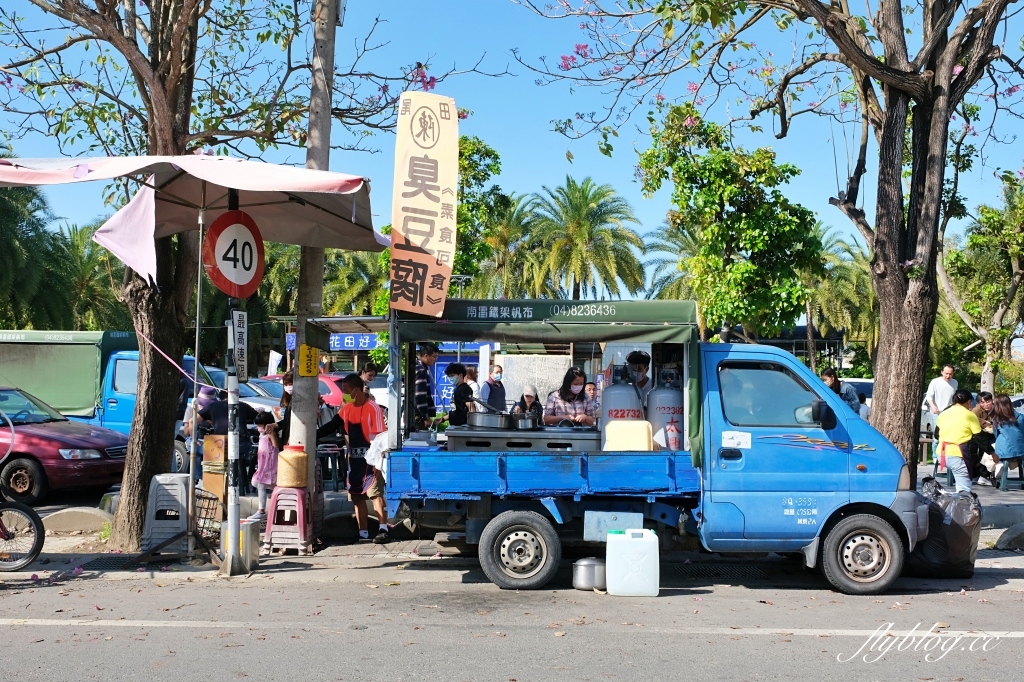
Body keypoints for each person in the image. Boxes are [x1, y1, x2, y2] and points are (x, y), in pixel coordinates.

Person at [316, 374, 391, 543]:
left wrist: (378, 463)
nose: (344, 394)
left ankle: (383, 529)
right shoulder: (347, 409)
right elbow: (332, 425)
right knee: (357, 497)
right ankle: (363, 533)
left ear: (356, 391)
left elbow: (381, 437)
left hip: (372, 459)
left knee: (375, 495)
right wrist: (313, 435)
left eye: (346, 391)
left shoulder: (373, 408)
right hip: (354, 459)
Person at [935, 388, 992, 493]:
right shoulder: (969, 415)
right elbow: (980, 437)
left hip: (941, 454)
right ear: (969, 402)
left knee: (961, 486)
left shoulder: (943, 413)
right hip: (958, 454)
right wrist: (992, 452)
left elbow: (936, 435)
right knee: (964, 490)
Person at [248, 411, 279, 522]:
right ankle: (272, 496)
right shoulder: (262, 435)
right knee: (256, 482)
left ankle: (261, 511)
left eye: (260, 426)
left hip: (270, 465)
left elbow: (276, 446)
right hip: (263, 465)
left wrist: (272, 433)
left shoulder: (270, 434)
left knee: (260, 483)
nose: (258, 428)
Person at [989, 394, 1024, 485]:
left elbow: (996, 435)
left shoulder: (997, 419)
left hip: (1004, 451)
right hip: (1021, 449)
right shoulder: (1021, 417)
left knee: (989, 450)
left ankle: (997, 466)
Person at [413, 343, 442, 430]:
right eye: (434, 356)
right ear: (426, 356)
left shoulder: (416, 366)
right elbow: (420, 395)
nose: (436, 359)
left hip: (413, 412)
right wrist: (426, 417)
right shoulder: (421, 370)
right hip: (419, 415)